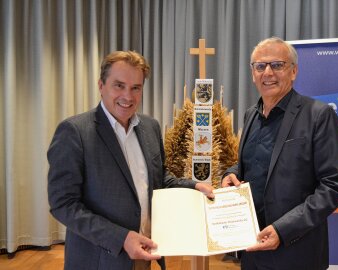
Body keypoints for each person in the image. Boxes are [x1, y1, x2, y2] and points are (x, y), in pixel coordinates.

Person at [47, 50, 214, 270]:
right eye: (119, 85)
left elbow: (159, 180)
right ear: (101, 85)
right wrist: (121, 238)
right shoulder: (74, 132)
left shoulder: (150, 127)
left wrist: (195, 187)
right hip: (100, 260)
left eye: (136, 88)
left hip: (144, 255)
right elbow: (63, 204)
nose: (128, 96)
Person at [222, 37, 338, 270]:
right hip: (252, 249)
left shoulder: (319, 115)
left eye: (277, 65)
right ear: (253, 74)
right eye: (260, 66)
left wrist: (283, 230)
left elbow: (334, 185)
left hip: (297, 252)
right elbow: (251, 164)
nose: (267, 72)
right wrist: (231, 173)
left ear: (294, 71)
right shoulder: (251, 115)